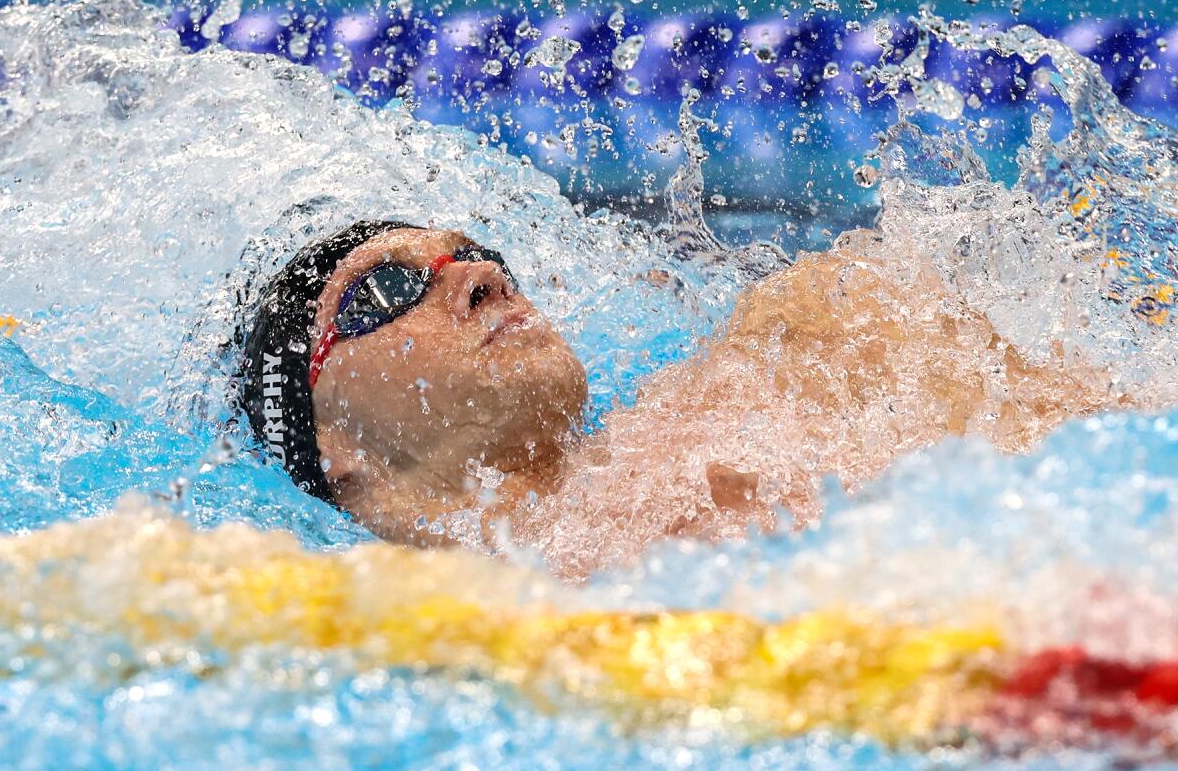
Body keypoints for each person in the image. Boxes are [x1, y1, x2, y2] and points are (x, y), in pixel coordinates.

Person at [236, 219, 1130, 577]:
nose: (475, 276)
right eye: (383, 292)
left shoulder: (789, 346)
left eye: (481, 251)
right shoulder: (389, 615)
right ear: (329, 442)